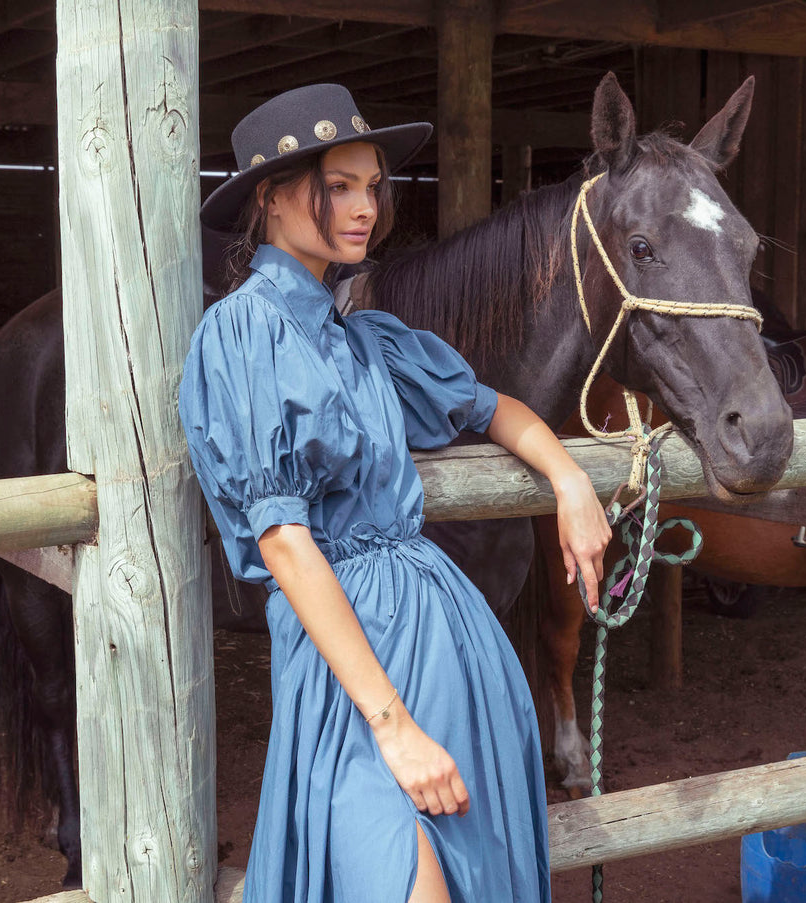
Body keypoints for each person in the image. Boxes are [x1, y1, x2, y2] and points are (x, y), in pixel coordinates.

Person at [179, 84, 611, 903]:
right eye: (337, 186)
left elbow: (496, 408)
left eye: (372, 186)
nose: (365, 207)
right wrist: (393, 724)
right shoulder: (241, 332)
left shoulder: (371, 341)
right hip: (353, 667)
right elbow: (283, 543)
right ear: (270, 199)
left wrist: (569, 481)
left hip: (449, 642)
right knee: (402, 876)